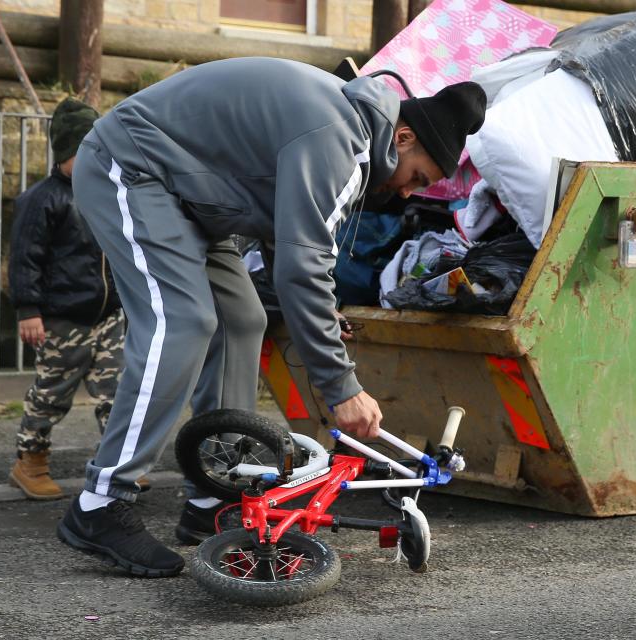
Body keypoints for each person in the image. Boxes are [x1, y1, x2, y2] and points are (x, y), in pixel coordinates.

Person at [56, 57, 486, 577]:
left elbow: (293, 246)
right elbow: (303, 267)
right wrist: (341, 389)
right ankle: (103, 502)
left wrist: (322, 317)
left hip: (190, 203)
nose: (407, 193)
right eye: (417, 176)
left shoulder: (351, 132)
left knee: (242, 319)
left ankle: (213, 495)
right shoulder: (343, 142)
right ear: (403, 137)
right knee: (183, 321)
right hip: (130, 167)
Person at [7, 97, 125, 500]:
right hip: (62, 319)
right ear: (62, 155)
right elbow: (25, 257)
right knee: (52, 393)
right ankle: (30, 461)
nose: (93, 160)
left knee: (117, 393)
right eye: (82, 153)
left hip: (108, 316)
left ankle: (116, 465)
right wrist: (28, 309)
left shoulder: (109, 193)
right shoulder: (42, 199)